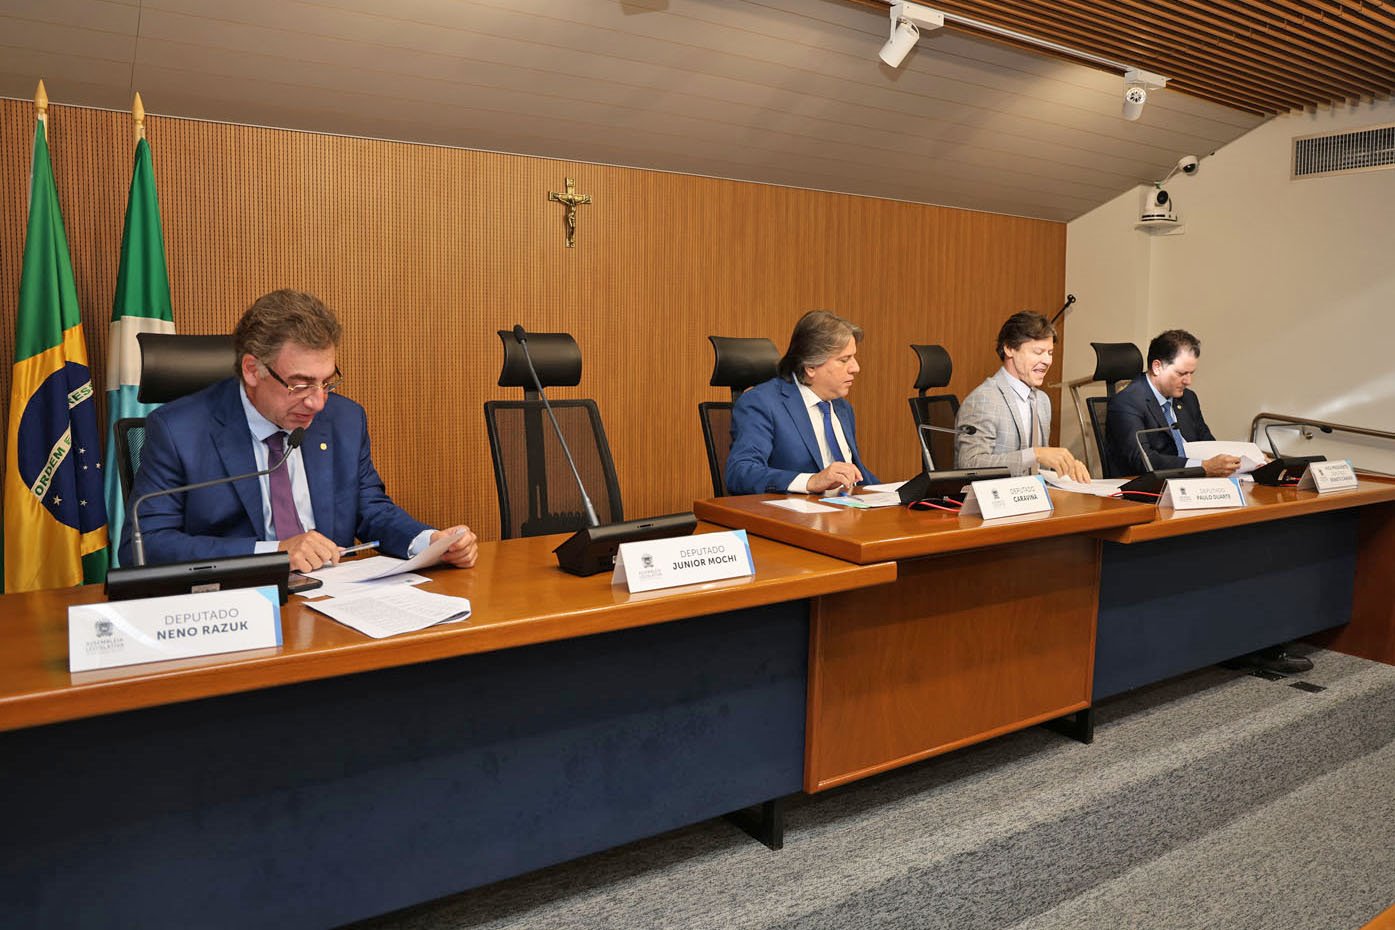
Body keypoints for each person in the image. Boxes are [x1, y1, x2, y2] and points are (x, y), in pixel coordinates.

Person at [119, 289, 478, 573]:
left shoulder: (344, 419)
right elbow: (145, 545)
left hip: (333, 600)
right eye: (301, 384)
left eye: (327, 382)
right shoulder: (179, 431)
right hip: (236, 607)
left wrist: (429, 542)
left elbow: (371, 509)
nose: (317, 402)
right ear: (252, 370)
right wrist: (274, 553)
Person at [725, 309, 878, 495]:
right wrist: (811, 481)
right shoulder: (761, 403)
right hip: (794, 511)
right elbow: (741, 473)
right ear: (811, 367)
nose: (856, 368)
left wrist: (898, 493)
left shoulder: (842, 407)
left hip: (848, 508)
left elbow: (858, 476)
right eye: (844, 360)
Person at [955, 311, 1091, 482]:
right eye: (1038, 352)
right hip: (996, 496)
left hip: (1034, 493)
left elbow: (1039, 466)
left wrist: (1067, 466)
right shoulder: (984, 399)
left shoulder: (1042, 401)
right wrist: (1034, 454)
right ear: (1009, 349)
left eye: (1050, 353)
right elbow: (970, 464)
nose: (1047, 361)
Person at [1104, 329, 1240, 478]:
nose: (1188, 381)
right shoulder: (1127, 402)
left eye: (1191, 373)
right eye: (1181, 373)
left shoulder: (1188, 398)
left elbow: (1206, 441)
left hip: (1195, 482)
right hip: (1150, 485)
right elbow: (1143, 459)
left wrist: (1234, 461)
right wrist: (1201, 467)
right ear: (1157, 367)